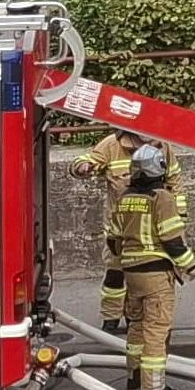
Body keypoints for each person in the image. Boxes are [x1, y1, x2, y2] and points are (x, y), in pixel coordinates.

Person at [109, 144, 195, 390]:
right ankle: (153, 387)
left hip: (131, 273)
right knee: (157, 330)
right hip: (156, 274)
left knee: (135, 326)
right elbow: (172, 240)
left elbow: (113, 239)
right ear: (158, 168)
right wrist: (190, 265)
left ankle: (134, 376)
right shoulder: (162, 197)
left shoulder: (124, 197)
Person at [72, 129, 138, 331]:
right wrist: (83, 166)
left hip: (146, 229)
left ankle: (135, 318)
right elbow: (86, 160)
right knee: (115, 274)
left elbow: (174, 183)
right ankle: (111, 318)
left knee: (140, 277)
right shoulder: (111, 145)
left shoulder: (162, 146)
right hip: (118, 228)